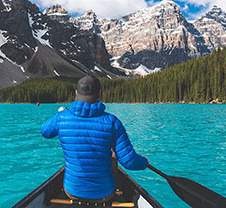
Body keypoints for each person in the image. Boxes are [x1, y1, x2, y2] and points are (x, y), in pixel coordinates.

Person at [41, 75, 149, 203]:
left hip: (72, 191)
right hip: (104, 193)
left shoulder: (62, 117)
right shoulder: (112, 122)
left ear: (76, 93)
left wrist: (59, 114)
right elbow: (129, 162)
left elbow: (45, 132)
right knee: (113, 155)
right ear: (99, 93)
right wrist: (144, 162)